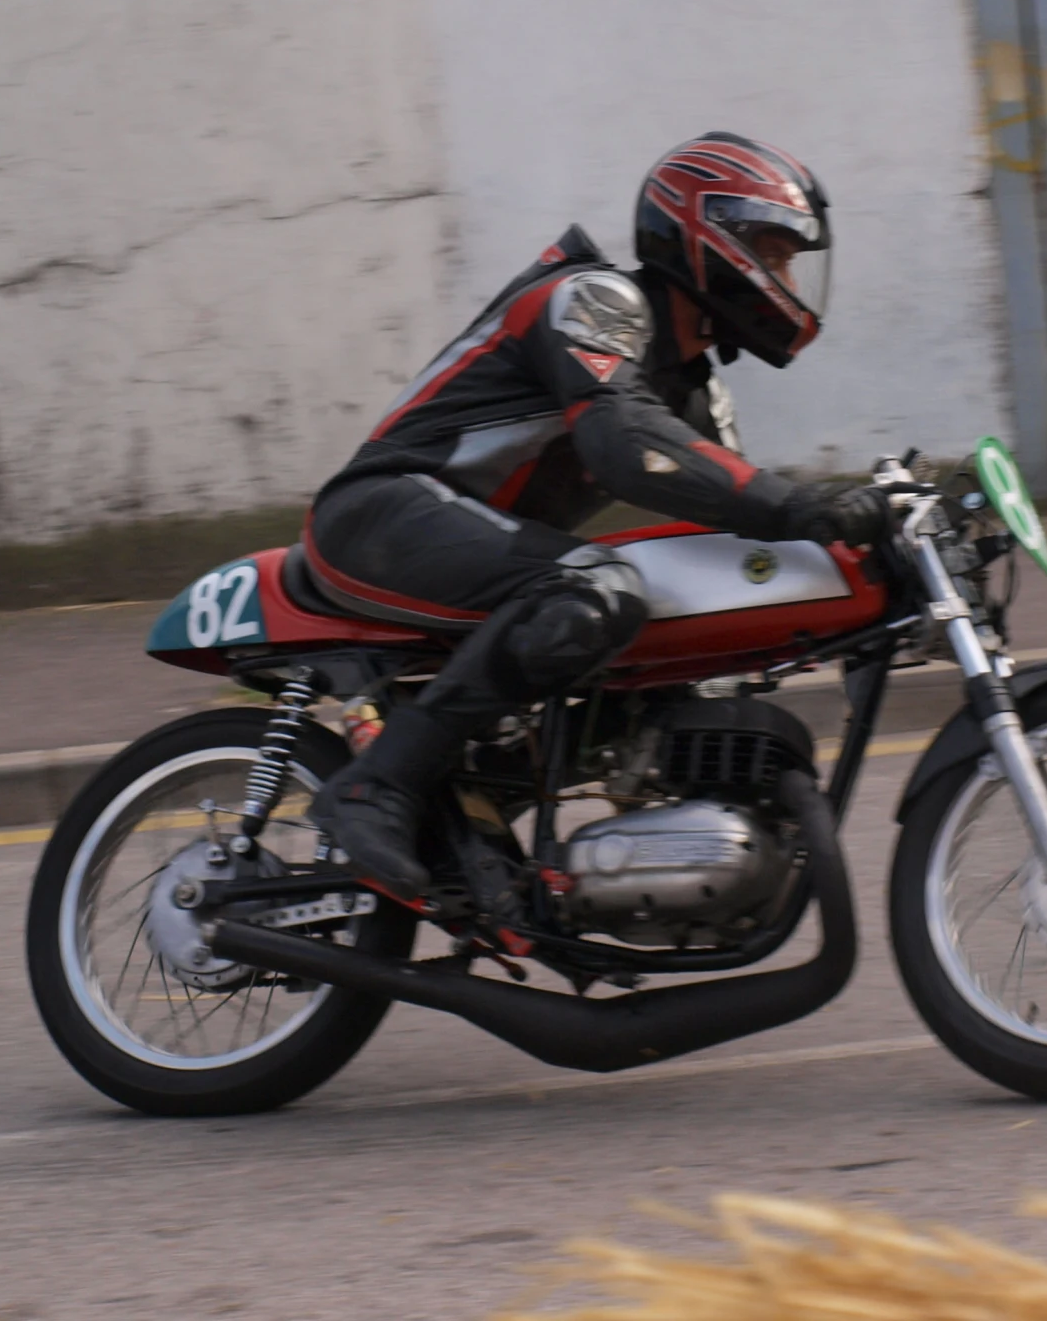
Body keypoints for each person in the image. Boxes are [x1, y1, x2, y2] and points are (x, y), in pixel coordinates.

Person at [300, 133, 888, 898]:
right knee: (595, 590)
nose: (785, 280)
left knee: (660, 623)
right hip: (381, 515)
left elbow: (726, 534)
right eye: (773, 256)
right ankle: (370, 791)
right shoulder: (596, 303)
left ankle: (501, 839)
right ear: (712, 240)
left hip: (483, 561)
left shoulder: (694, 392)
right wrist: (803, 504)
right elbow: (623, 442)